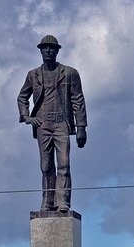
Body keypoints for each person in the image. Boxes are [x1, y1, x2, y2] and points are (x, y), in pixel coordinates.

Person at [17, 34, 88, 211]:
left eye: (51, 48)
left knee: (64, 164)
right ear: (41, 51)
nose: (48, 51)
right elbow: (22, 97)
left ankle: (62, 201)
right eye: (44, 48)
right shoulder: (33, 75)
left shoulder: (70, 73)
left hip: (61, 124)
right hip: (43, 125)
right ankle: (47, 201)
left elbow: (78, 99)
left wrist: (81, 127)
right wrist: (27, 117)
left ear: (57, 51)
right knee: (46, 166)